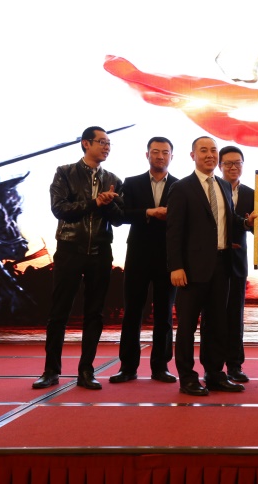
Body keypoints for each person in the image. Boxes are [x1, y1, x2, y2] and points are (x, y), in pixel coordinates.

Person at [33, 126, 124, 390]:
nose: (106, 147)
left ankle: (86, 371)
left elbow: (119, 220)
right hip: (70, 249)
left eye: (109, 143)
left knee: (95, 313)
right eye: (102, 142)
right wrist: (95, 203)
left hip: (100, 251)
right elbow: (59, 209)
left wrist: (109, 203)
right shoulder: (65, 172)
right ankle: (51, 371)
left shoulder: (114, 179)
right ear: (86, 143)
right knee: (59, 313)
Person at [167, 136, 255, 396]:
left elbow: (229, 220)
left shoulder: (223, 185)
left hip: (222, 266)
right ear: (192, 155)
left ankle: (215, 374)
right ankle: (187, 378)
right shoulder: (182, 187)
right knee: (187, 327)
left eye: (213, 150)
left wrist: (246, 223)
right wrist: (176, 266)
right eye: (203, 150)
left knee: (217, 324)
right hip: (191, 269)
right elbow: (174, 231)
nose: (209, 155)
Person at [110, 137, 178, 385]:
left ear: (172, 156)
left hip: (168, 257)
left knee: (164, 314)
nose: (160, 156)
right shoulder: (131, 183)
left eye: (165, 152)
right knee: (132, 312)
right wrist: (149, 212)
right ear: (147, 155)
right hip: (138, 255)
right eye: (155, 152)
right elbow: (121, 216)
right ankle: (127, 367)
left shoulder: (181, 186)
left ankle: (161, 367)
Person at [219, 145, 254, 383]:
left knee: (235, 315)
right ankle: (213, 366)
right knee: (214, 316)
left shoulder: (252, 194)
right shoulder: (211, 189)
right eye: (228, 163)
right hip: (212, 262)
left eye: (237, 163)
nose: (233, 167)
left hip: (238, 262)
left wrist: (253, 224)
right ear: (220, 165)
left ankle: (235, 365)